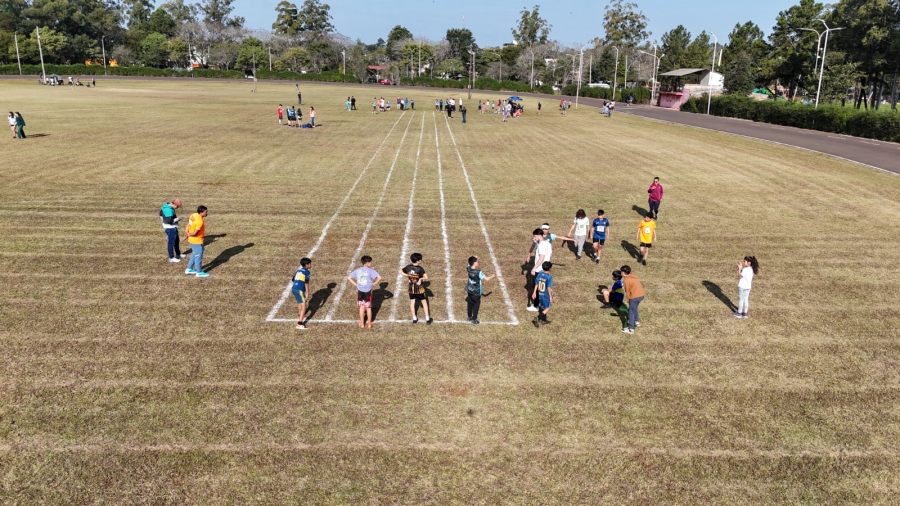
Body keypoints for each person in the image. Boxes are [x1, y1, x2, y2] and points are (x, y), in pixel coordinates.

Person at [348, 255, 381, 329]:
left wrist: (356, 284)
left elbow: (349, 277)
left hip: (360, 291)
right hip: (368, 291)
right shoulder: (371, 271)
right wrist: (374, 284)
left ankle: (362, 324)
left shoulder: (358, 270)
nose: (371, 263)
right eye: (370, 262)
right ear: (367, 263)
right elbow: (379, 277)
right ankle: (369, 324)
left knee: (361, 307)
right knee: (368, 308)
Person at [401, 253, 432, 324]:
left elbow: (401, 271)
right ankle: (427, 318)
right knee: (424, 302)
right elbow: (426, 277)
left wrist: (408, 275)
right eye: (420, 259)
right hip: (419, 288)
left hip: (411, 287)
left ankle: (414, 318)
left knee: (412, 302)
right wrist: (420, 279)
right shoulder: (420, 269)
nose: (421, 260)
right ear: (418, 261)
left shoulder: (408, 267)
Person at [466, 256, 495, 324]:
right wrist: (493, 276)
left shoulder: (468, 268)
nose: (478, 262)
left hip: (470, 290)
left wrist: (474, 258)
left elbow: (469, 263)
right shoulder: (478, 272)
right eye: (477, 261)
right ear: (474, 263)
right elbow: (487, 279)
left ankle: (469, 317)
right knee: (476, 305)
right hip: (476, 292)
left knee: (470, 304)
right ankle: (474, 319)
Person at [184, 205, 209, 278]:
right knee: (198, 256)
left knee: (194, 254)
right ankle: (199, 272)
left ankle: (189, 269)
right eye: (206, 212)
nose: (207, 213)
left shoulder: (193, 215)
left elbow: (188, 224)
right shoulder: (200, 221)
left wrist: (186, 233)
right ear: (201, 212)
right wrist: (188, 234)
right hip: (197, 242)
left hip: (191, 241)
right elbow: (195, 233)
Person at [620, 265, 644, 334]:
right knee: (634, 308)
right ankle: (637, 321)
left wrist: (628, 300)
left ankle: (631, 329)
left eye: (621, 271)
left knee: (631, 311)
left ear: (623, 272)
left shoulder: (626, 280)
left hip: (635, 297)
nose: (621, 272)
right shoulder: (633, 276)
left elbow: (627, 291)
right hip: (641, 295)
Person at [160, 199, 184, 263]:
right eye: (178, 206)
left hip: (173, 227)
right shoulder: (168, 210)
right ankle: (171, 257)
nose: (178, 208)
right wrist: (178, 219)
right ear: (174, 204)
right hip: (170, 228)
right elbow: (169, 221)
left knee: (176, 241)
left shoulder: (168, 207)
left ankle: (178, 254)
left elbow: (161, 215)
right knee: (171, 243)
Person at [531, 261, 555, 326]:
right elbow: (548, 287)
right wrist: (550, 296)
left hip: (539, 294)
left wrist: (534, 293)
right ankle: (537, 318)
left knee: (542, 307)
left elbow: (536, 283)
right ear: (550, 268)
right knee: (548, 307)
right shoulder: (549, 277)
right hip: (545, 295)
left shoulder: (539, 274)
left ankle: (543, 320)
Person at [292, 257, 312, 330]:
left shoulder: (299, 270)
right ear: (306, 265)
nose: (311, 265)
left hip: (294, 288)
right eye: (310, 264)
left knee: (299, 303)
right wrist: (307, 292)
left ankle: (300, 316)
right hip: (299, 290)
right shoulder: (307, 272)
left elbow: (293, 279)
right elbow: (306, 283)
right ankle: (299, 323)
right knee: (304, 306)